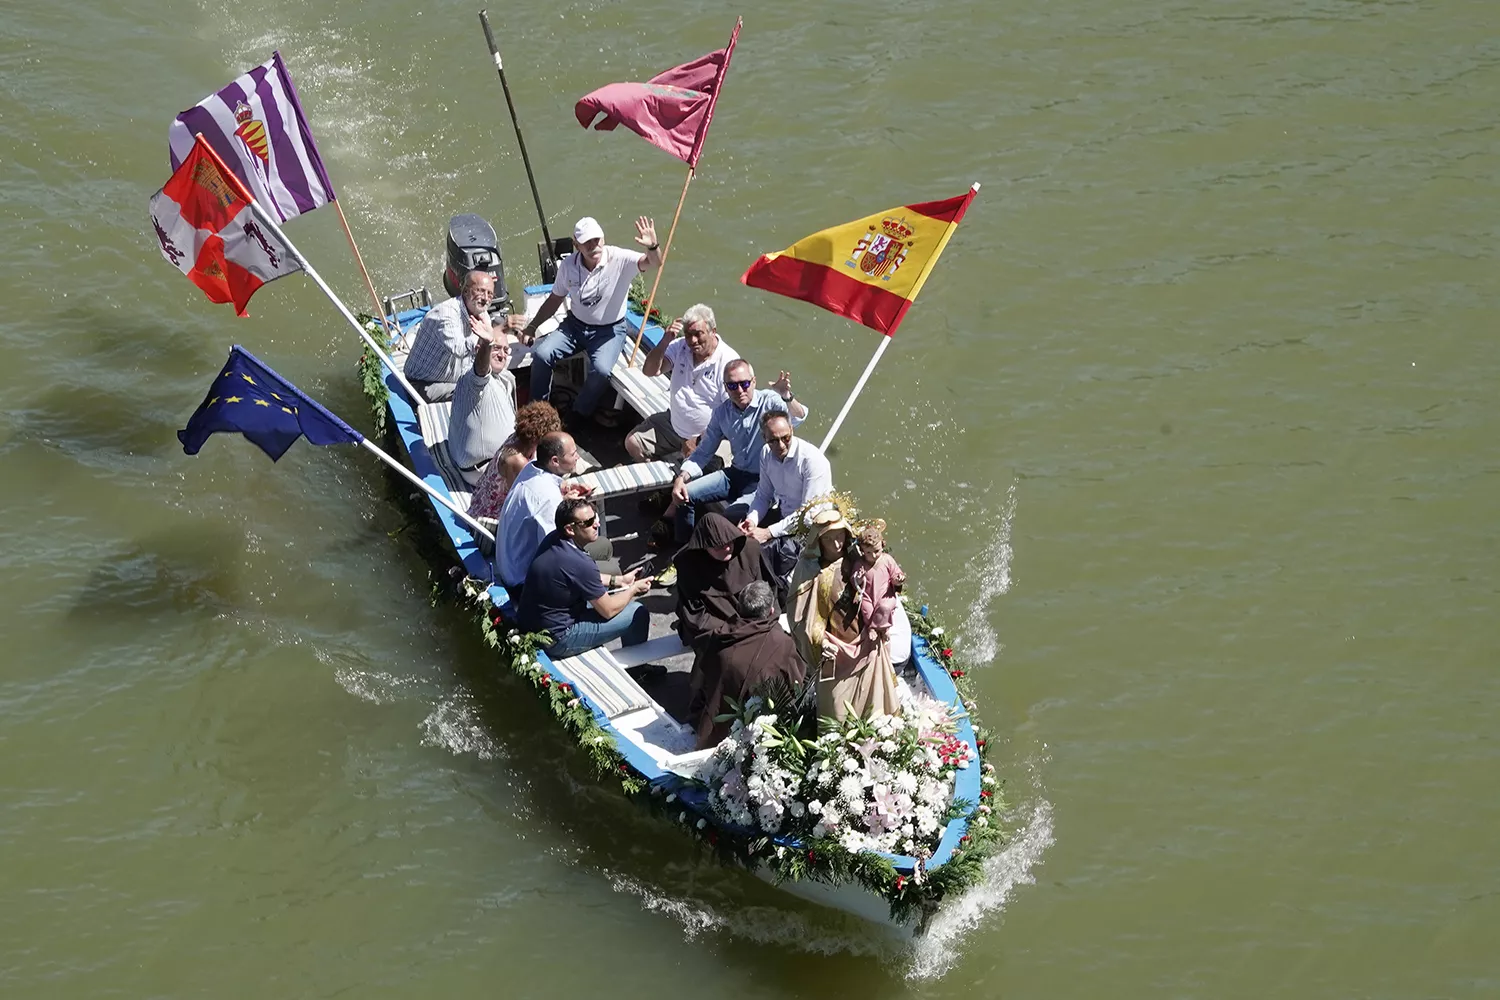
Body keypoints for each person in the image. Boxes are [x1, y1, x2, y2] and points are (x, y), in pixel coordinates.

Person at [518, 216, 664, 423]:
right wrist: (532, 327)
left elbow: (655, 263)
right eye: (586, 241)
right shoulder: (568, 266)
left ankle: (578, 414)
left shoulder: (620, 259)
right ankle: (537, 411)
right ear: (576, 244)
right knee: (542, 355)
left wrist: (653, 246)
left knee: (602, 370)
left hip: (609, 331)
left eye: (596, 239)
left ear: (603, 239)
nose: (593, 245)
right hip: (574, 326)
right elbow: (554, 299)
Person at [669, 359, 807, 543]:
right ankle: (684, 550)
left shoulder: (771, 401)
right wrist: (681, 477)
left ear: (754, 381)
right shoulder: (721, 413)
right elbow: (704, 451)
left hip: (763, 483)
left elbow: (799, 417)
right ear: (725, 388)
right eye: (732, 385)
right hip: (733, 475)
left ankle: (716, 559)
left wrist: (786, 395)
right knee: (686, 495)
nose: (740, 390)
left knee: (727, 518)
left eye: (745, 383)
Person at [789, 511, 900, 721]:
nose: (837, 543)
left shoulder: (858, 558)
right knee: (836, 713)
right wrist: (819, 640)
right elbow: (799, 616)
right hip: (835, 649)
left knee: (873, 707)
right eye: (829, 539)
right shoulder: (810, 570)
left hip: (866, 640)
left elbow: (881, 585)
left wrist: (880, 622)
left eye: (840, 536)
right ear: (818, 540)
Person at [516, 498, 653, 660]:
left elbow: (581, 578)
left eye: (595, 517)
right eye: (588, 522)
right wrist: (634, 589)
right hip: (558, 639)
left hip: (533, 625)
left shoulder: (553, 539)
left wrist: (620, 580)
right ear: (570, 529)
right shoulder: (579, 562)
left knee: (608, 590)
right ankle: (640, 671)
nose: (597, 524)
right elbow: (608, 611)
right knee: (638, 612)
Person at [687, 581, 805, 749]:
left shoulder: (719, 637)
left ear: (739, 608)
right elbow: (797, 686)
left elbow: (703, 678)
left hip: (713, 730)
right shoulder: (783, 644)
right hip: (759, 736)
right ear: (771, 611)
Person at [625, 303, 736, 462]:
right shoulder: (680, 346)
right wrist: (665, 341)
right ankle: (659, 474)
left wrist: (696, 441)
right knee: (633, 443)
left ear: (713, 331)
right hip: (674, 424)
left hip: (709, 436)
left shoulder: (729, 363)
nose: (692, 340)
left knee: (695, 473)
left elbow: (731, 415)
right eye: (688, 334)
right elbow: (649, 371)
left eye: (698, 334)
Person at [741, 411, 833, 596]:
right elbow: (763, 495)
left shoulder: (812, 461)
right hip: (785, 517)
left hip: (809, 529)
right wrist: (751, 521)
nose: (780, 445)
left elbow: (808, 515)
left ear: (792, 429)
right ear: (764, 438)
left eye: (786, 438)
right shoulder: (766, 454)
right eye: (773, 440)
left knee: (766, 555)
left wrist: (767, 532)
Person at [403, 270, 524, 403]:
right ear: (465, 291)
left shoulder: (483, 315)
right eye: (481, 291)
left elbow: (486, 343)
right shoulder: (446, 313)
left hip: (456, 376)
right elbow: (459, 349)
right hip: (424, 384)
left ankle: (513, 422)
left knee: (508, 379)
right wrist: (498, 330)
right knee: (477, 392)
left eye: (490, 294)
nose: (485, 298)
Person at [496, 431, 592, 590]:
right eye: (573, 454)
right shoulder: (548, 499)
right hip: (522, 581)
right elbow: (556, 551)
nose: (578, 457)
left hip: (508, 563)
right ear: (555, 460)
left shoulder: (530, 469)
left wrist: (564, 489)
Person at [673, 512, 763, 647]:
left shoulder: (750, 550)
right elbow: (696, 615)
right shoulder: (688, 564)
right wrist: (733, 630)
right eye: (718, 546)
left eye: (729, 542)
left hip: (753, 620)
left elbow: (768, 590)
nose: (727, 548)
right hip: (716, 629)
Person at [446, 323, 516, 487]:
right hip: (483, 470)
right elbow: (481, 371)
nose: (502, 355)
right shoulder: (472, 381)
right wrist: (487, 344)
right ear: (480, 348)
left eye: (506, 350)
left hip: (503, 459)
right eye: (497, 348)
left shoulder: (503, 379)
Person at [467, 400, 562, 520]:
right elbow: (522, 498)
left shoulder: (516, 438)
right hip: (490, 512)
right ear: (538, 438)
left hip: (481, 498)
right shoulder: (518, 461)